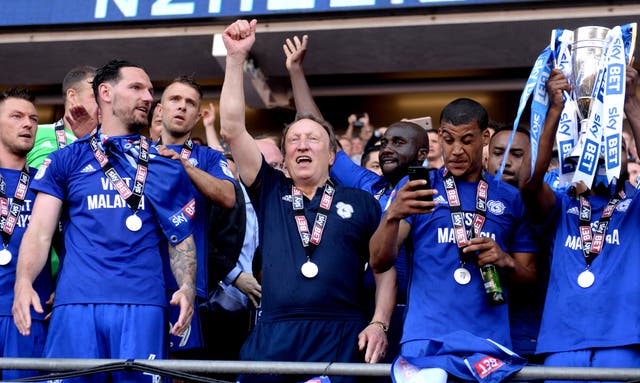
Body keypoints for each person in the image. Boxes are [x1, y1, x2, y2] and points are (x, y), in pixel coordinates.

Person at [220, 19, 389, 383]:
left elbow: (384, 268)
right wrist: (235, 60)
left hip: (341, 335)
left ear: (332, 156)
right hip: (276, 334)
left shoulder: (361, 202)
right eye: (294, 139)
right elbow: (232, 128)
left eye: (313, 139)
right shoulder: (270, 189)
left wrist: (379, 322)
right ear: (283, 154)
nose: (302, 145)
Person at [12, 59, 197, 383]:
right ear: (106, 93)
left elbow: (180, 238)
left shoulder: (166, 165)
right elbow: (39, 231)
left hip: (143, 306)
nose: (148, 97)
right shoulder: (65, 159)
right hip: (76, 305)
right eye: (137, 87)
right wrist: (24, 282)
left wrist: (187, 287)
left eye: (151, 90)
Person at [370, 98, 537, 361]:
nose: (457, 150)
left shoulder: (509, 196)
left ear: (485, 138)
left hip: (489, 343)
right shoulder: (418, 188)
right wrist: (392, 216)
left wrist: (506, 261)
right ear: (439, 137)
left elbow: (530, 279)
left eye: (467, 140)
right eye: (448, 140)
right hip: (426, 340)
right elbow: (379, 262)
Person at [521, 66, 640, 374]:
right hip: (562, 342)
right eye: (593, 147)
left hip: (624, 341)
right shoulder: (562, 205)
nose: (603, 153)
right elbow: (530, 182)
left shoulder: (636, 205)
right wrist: (554, 110)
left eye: (614, 148)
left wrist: (630, 104)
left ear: (629, 157)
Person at [155, 75, 236, 354]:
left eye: (190, 103)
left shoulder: (209, 158)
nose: (182, 107)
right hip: (140, 284)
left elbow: (227, 196)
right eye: (174, 100)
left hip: (186, 284)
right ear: (159, 109)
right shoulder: (137, 155)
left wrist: (185, 165)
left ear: (198, 115)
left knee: (180, 369)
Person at [0, 89, 52, 381]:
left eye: (33, 118)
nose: (28, 124)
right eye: (17, 116)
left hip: (29, 316)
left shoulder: (48, 185)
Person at [486, 124, 548, 362]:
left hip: (530, 334)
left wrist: (506, 261)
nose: (505, 162)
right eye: (498, 153)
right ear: (486, 157)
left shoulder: (547, 204)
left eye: (517, 154)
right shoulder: (462, 199)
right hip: (481, 333)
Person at [27, 65, 98, 169]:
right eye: (95, 96)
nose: (103, 102)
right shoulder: (33, 132)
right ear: (72, 96)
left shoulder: (110, 144)